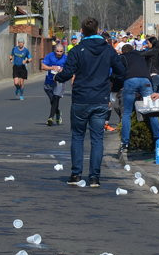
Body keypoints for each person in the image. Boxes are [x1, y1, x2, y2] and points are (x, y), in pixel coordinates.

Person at [54, 17, 126, 188]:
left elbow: (68, 72)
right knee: (97, 138)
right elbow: (121, 71)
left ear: (82, 31)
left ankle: (75, 174)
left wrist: (58, 76)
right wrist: (110, 81)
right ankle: (94, 177)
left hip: (80, 98)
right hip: (100, 99)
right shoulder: (108, 50)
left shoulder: (77, 50)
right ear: (97, 30)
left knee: (78, 137)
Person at [118, 44, 159, 154]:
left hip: (130, 81)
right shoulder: (140, 55)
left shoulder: (123, 57)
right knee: (151, 111)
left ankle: (125, 143)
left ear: (123, 52)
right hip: (146, 81)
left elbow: (119, 72)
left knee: (127, 113)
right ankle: (158, 140)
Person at [41, 43, 68, 126]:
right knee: (52, 100)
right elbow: (43, 66)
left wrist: (62, 69)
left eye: (61, 51)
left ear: (63, 51)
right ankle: (57, 112)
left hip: (60, 81)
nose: (59, 53)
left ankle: (50, 118)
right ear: (54, 51)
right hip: (49, 81)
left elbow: (70, 68)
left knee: (56, 98)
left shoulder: (66, 58)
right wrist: (52, 68)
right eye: (57, 51)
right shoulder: (50, 56)